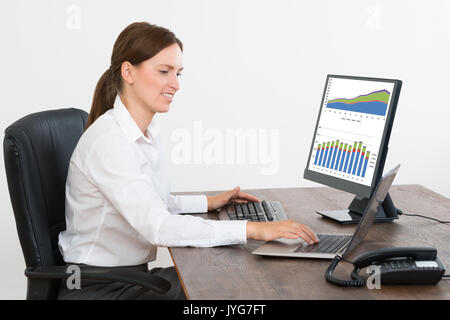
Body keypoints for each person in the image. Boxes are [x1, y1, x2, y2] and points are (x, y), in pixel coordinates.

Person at [57, 22, 319, 300]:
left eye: (178, 73)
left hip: (127, 277)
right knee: (233, 287)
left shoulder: (144, 132)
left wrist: (207, 202)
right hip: (98, 288)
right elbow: (158, 226)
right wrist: (254, 228)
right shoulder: (110, 142)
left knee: (229, 276)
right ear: (128, 71)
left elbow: (153, 202)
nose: (176, 84)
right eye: (164, 72)